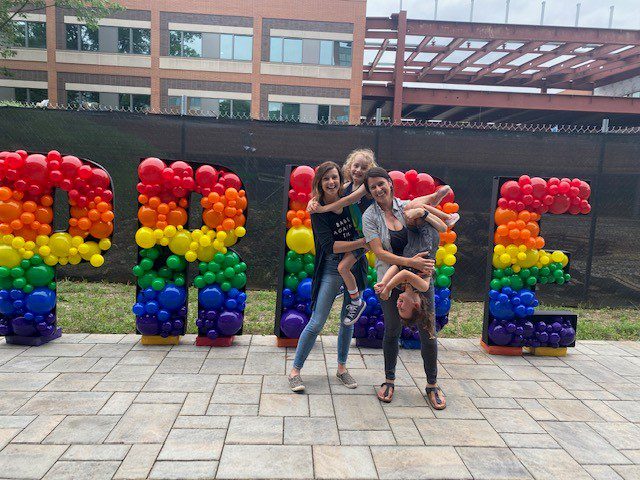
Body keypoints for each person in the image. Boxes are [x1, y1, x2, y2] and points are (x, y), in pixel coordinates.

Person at [362, 167, 448, 409]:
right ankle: (389, 380)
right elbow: (379, 252)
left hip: (420, 278)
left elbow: (429, 216)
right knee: (392, 329)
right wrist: (410, 263)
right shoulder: (369, 217)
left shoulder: (406, 206)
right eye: (373, 187)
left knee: (428, 331)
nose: (378, 189)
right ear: (369, 192)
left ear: (390, 183)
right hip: (390, 277)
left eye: (381, 183)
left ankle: (432, 384)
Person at [288, 161, 368, 393]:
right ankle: (295, 371)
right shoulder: (317, 210)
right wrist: (362, 243)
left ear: (339, 179)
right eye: (326, 179)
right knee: (317, 321)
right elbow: (330, 246)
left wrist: (360, 246)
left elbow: (371, 179)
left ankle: (342, 368)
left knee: (348, 320)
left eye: (334, 177)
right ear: (319, 183)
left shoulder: (351, 198)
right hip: (333, 267)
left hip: (356, 263)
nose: (331, 182)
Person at [307, 149, 377, 325]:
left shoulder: (365, 186)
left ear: (370, 170)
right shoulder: (347, 185)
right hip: (358, 234)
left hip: (368, 235)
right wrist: (313, 201)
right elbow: (333, 192)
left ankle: (356, 301)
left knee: (343, 267)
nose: (359, 170)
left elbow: (345, 201)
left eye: (364, 167)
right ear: (349, 167)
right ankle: (346, 288)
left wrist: (322, 209)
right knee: (343, 268)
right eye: (356, 166)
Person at [374, 204, 447, 339]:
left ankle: (437, 215)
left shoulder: (401, 286)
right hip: (426, 239)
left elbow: (396, 267)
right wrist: (388, 288)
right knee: (419, 213)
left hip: (412, 240)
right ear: (416, 304)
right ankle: (442, 216)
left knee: (408, 210)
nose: (398, 304)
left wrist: (383, 282)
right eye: (402, 308)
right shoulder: (423, 286)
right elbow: (405, 273)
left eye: (398, 308)